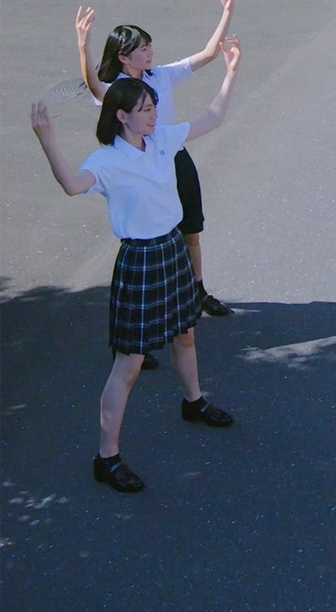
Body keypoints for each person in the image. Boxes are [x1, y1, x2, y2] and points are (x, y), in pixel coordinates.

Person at [32, 37, 243, 494]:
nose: (154, 111)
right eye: (146, 108)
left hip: (171, 248)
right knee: (128, 364)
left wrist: (230, 72)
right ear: (122, 116)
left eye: (153, 104)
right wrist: (47, 139)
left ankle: (194, 401)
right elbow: (71, 185)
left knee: (185, 332)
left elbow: (213, 117)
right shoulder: (107, 160)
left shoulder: (161, 139)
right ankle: (106, 458)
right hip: (140, 259)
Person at [76, 0, 237, 319]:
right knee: (147, 243)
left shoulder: (160, 75)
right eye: (143, 48)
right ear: (123, 57)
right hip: (139, 169)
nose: (150, 53)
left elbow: (208, 54)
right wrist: (83, 46)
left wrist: (227, 11)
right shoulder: (117, 91)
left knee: (191, 231)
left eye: (150, 45)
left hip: (174, 157)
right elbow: (93, 83)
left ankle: (197, 291)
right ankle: (142, 327)